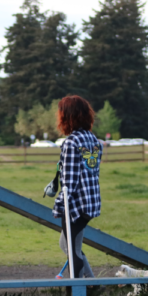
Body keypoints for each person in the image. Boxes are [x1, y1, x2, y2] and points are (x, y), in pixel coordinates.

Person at [52, 95, 104, 279]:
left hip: (75, 206)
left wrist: (58, 204)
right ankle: (91, 283)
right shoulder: (95, 141)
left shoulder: (72, 143)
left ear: (67, 117)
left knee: (72, 251)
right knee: (67, 245)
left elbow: (69, 183)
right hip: (91, 204)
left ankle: (81, 293)